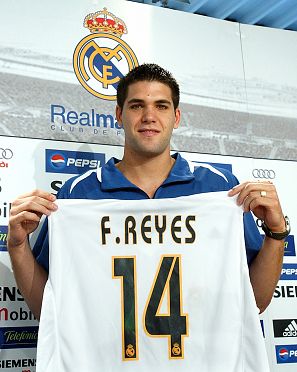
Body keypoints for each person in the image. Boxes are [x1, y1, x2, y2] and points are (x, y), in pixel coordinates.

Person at [8, 63, 287, 324]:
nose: (149, 116)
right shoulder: (78, 194)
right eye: (137, 105)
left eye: (161, 106)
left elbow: (255, 301)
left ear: (176, 117)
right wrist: (18, 247)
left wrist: (275, 233)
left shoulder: (220, 188)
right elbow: (49, 309)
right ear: (119, 114)